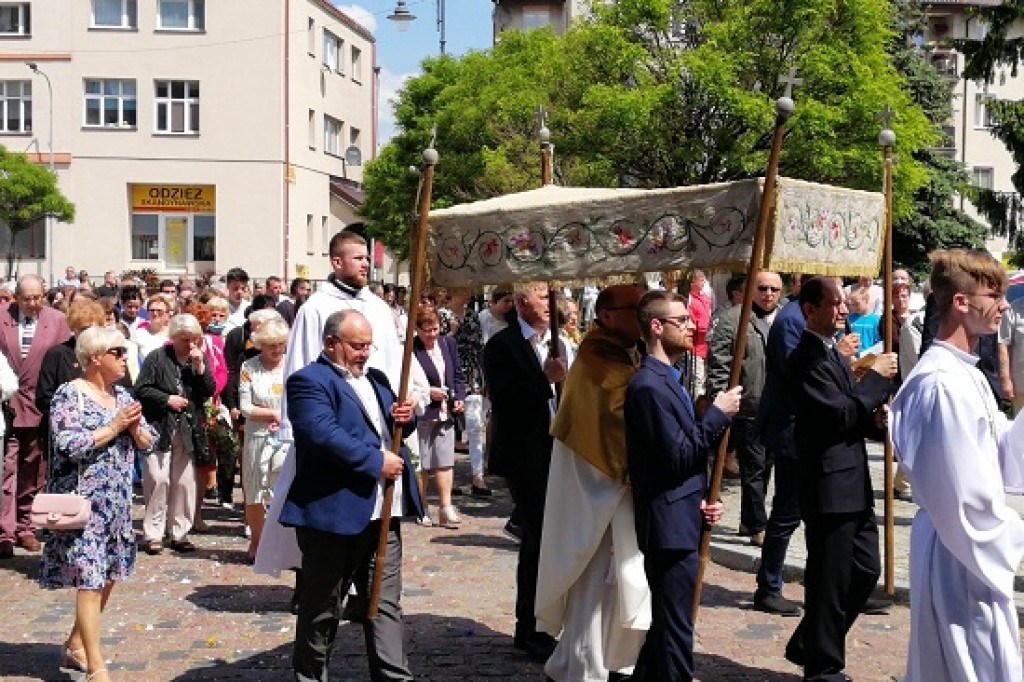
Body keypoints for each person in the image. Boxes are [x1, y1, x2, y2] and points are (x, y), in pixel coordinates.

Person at [890, 249, 1024, 682]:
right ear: (961, 302)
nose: (1003, 305)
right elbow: (961, 494)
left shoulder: (965, 373)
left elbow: (998, 449)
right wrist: (1014, 533)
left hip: (965, 549)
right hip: (959, 550)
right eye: (994, 294)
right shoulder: (942, 383)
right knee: (969, 664)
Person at [257, 230, 402, 617]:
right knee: (325, 516)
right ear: (336, 262)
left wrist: (401, 409)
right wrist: (297, 432)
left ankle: (365, 591)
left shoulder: (378, 307)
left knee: (375, 522)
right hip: (332, 423)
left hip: (379, 425)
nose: (366, 265)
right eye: (358, 258)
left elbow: (391, 363)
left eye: (368, 259)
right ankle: (312, 584)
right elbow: (303, 367)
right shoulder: (316, 308)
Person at [280, 309, 421, 682]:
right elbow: (322, 434)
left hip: (383, 512)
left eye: (368, 346)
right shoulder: (308, 381)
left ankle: (394, 678)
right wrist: (375, 461)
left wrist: (405, 416)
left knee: (384, 604)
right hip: (332, 514)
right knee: (322, 609)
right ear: (331, 343)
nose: (365, 353)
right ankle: (311, 677)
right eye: (357, 346)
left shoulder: (376, 379)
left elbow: (394, 428)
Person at [783, 277, 897, 680]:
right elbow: (837, 415)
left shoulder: (832, 353)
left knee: (866, 570)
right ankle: (823, 668)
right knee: (829, 581)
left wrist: (874, 421)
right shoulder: (805, 361)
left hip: (853, 482)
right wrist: (877, 378)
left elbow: (852, 416)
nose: (843, 310)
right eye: (833, 303)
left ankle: (810, 640)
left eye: (843, 303)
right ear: (809, 309)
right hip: (828, 485)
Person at [536, 284, 651, 681]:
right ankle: (582, 663)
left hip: (615, 484)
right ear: (605, 314)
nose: (643, 314)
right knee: (594, 578)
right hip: (597, 484)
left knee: (619, 579)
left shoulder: (627, 351)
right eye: (635, 308)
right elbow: (621, 414)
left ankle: (607, 659)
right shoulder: (598, 354)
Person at [624, 289, 741, 682]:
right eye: (682, 320)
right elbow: (675, 456)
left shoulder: (669, 379)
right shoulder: (648, 386)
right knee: (676, 631)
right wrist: (718, 417)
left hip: (682, 517)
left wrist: (703, 501)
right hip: (666, 529)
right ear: (656, 327)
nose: (692, 326)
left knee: (666, 630)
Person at [40, 326, 155, 682]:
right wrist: (115, 426)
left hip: (116, 506)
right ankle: (96, 666)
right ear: (95, 358)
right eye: (118, 353)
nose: (124, 359)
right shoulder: (69, 394)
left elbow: (149, 441)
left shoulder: (122, 395)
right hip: (83, 503)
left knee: (107, 578)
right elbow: (69, 444)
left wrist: (135, 430)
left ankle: (76, 644)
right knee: (89, 581)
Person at [483, 281, 567, 663]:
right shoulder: (502, 346)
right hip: (525, 455)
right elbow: (504, 401)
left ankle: (546, 621)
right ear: (520, 303)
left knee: (551, 539)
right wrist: (543, 381)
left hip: (560, 451)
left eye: (552, 294)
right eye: (540, 294)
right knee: (536, 537)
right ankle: (530, 627)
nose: (550, 301)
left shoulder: (560, 341)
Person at [705, 270, 782, 547]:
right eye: (762, 288)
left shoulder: (785, 318)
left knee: (767, 466)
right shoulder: (732, 319)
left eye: (774, 289)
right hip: (747, 407)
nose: (768, 294)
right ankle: (758, 526)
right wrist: (720, 400)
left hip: (777, 408)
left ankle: (749, 519)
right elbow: (720, 363)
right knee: (753, 468)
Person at [0, 274, 72, 558]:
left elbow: (62, 362)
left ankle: (26, 526)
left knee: (34, 470)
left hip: (39, 405)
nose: (32, 303)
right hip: (7, 405)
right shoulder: (3, 317)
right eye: (27, 298)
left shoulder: (56, 320)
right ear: (16, 297)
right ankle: (3, 531)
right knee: (5, 470)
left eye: (37, 297)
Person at [134, 314, 216, 556]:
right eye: (185, 339)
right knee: (158, 479)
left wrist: (201, 368)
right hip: (160, 426)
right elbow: (142, 388)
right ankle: (153, 533)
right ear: (174, 338)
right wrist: (166, 399)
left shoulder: (197, 360)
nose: (191, 344)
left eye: (194, 339)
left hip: (188, 429)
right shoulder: (157, 358)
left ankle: (179, 532)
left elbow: (208, 391)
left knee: (184, 482)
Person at [238, 318, 289, 562]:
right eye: (271, 345)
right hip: (257, 436)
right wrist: (272, 413)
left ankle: (281, 542)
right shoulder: (249, 367)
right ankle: (257, 540)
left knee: (282, 488)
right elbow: (246, 406)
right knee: (255, 489)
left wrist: (283, 418)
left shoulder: (293, 366)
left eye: (280, 344)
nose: (277, 349)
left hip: (286, 436)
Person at [411, 307, 465, 527]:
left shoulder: (447, 344)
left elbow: (457, 375)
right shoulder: (411, 349)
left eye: (436, 329)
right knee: (424, 462)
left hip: (446, 410)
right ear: (417, 330)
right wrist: (428, 391)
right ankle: (422, 507)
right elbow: (408, 381)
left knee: (444, 460)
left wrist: (459, 396)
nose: (433, 334)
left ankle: (445, 506)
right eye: (427, 330)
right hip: (424, 412)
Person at [131, 294, 173, 358]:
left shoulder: (173, 335)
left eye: (159, 311)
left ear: (167, 314)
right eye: (152, 310)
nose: (155, 314)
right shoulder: (138, 334)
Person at [223, 267, 251, 333]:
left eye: (243, 288)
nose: (240, 292)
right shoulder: (221, 307)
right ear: (227, 286)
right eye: (235, 288)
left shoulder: (250, 308)